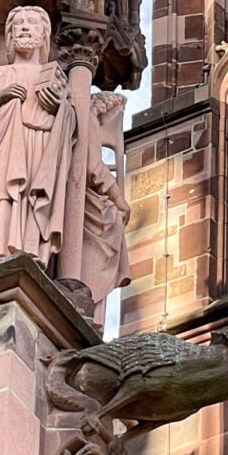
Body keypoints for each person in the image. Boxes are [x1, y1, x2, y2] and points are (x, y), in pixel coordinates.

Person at [0, 6, 76, 267]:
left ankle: (30, 250)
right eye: (19, 24)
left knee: (33, 197)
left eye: (33, 23)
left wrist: (60, 107)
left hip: (41, 146)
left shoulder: (55, 80)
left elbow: (71, 132)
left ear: (44, 35)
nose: (25, 27)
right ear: (11, 35)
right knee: (3, 195)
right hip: (5, 146)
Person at [82, 91, 131, 325]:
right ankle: (90, 309)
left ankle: (91, 310)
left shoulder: (88, 118)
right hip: (88, 200)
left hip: (88, 197)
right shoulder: (89, 118)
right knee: (109, 220)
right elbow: (93, 167)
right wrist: (118, 198)